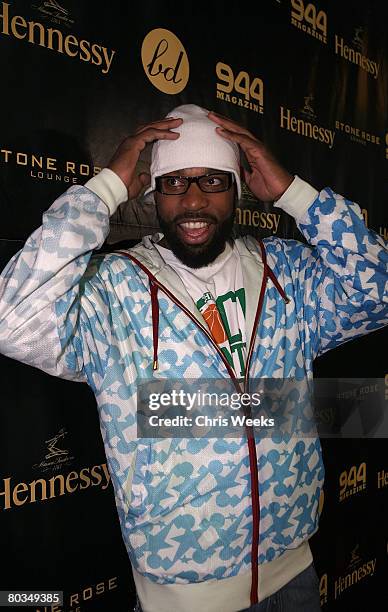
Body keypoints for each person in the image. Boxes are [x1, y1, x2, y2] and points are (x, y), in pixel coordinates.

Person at [0, 104, 387, 612]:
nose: (194, 200)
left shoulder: (288, 273)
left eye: (213, 180)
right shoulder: (114, 289)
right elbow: (13, 320)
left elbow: (378, 291)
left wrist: (295, 194)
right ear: (151, 190)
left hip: (295, 573)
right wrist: (107, 187)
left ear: (240, 186)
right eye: (174, 182)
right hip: (182, 599)